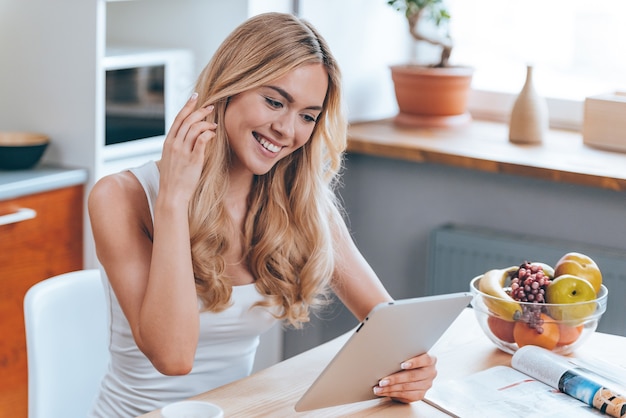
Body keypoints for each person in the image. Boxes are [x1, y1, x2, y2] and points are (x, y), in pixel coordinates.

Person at [88, 12, 437, 417]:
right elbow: (174, 357)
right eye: (274, 101)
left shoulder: (302, 204)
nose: (288, 130)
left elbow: (388, 325)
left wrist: (415, 368)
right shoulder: (121, 197)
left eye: (307, 115)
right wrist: (174, 200)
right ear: (227, 88)